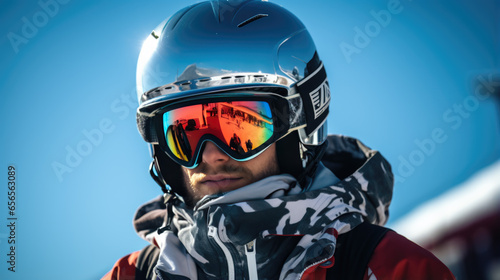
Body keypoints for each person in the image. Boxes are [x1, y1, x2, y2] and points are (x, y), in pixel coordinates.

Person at [103, 1, 455, 279]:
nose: (210, 154)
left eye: (237, 127)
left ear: (297, 128)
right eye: (185, 132)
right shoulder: (132, 276)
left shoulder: (390, 269)